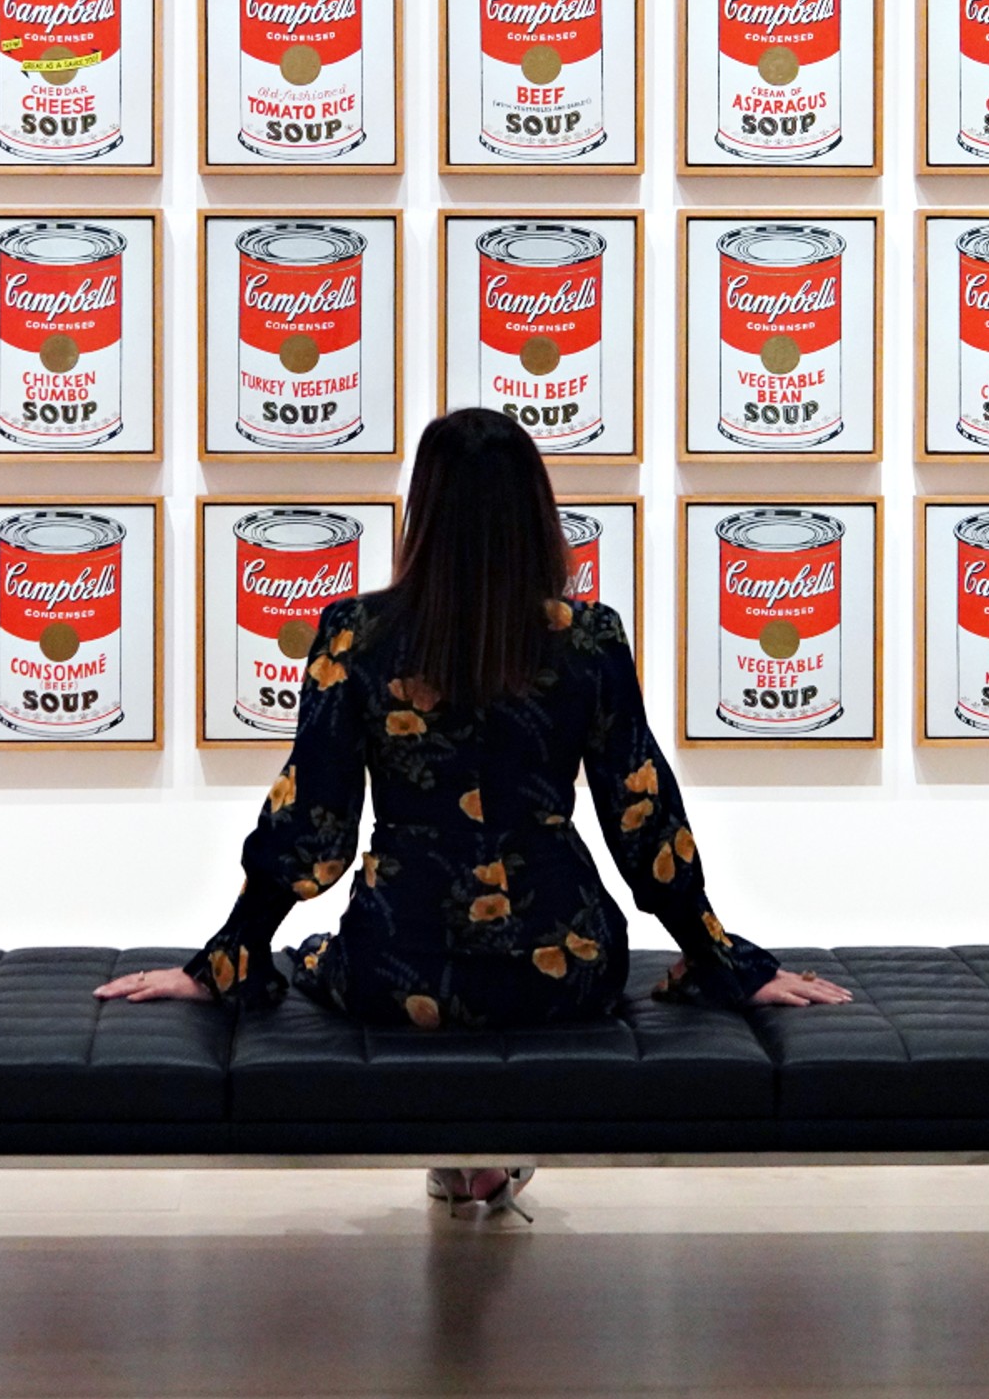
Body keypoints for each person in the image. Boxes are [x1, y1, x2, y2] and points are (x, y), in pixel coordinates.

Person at [97, 408, 851, 1216]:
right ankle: (482, 1155)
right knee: (405, 958)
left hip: (403, 962)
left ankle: (467, 1153)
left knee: (312, 959)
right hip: (565, 967)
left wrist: (224, 960)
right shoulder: (589, 638)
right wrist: (722, 957)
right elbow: (643, 817)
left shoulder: (355, 635)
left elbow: (309, 829)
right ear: (536, 511)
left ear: (424, 510)